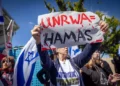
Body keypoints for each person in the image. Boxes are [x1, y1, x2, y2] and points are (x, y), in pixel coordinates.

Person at [31, 21, 108, 86]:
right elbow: (44, 58)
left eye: (66, 45)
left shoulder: (75, 62)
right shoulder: (52, 66)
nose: (66, 47)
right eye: (62, 45)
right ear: (56, 50)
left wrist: (99, 34)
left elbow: (88, 51)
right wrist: (38, 41)